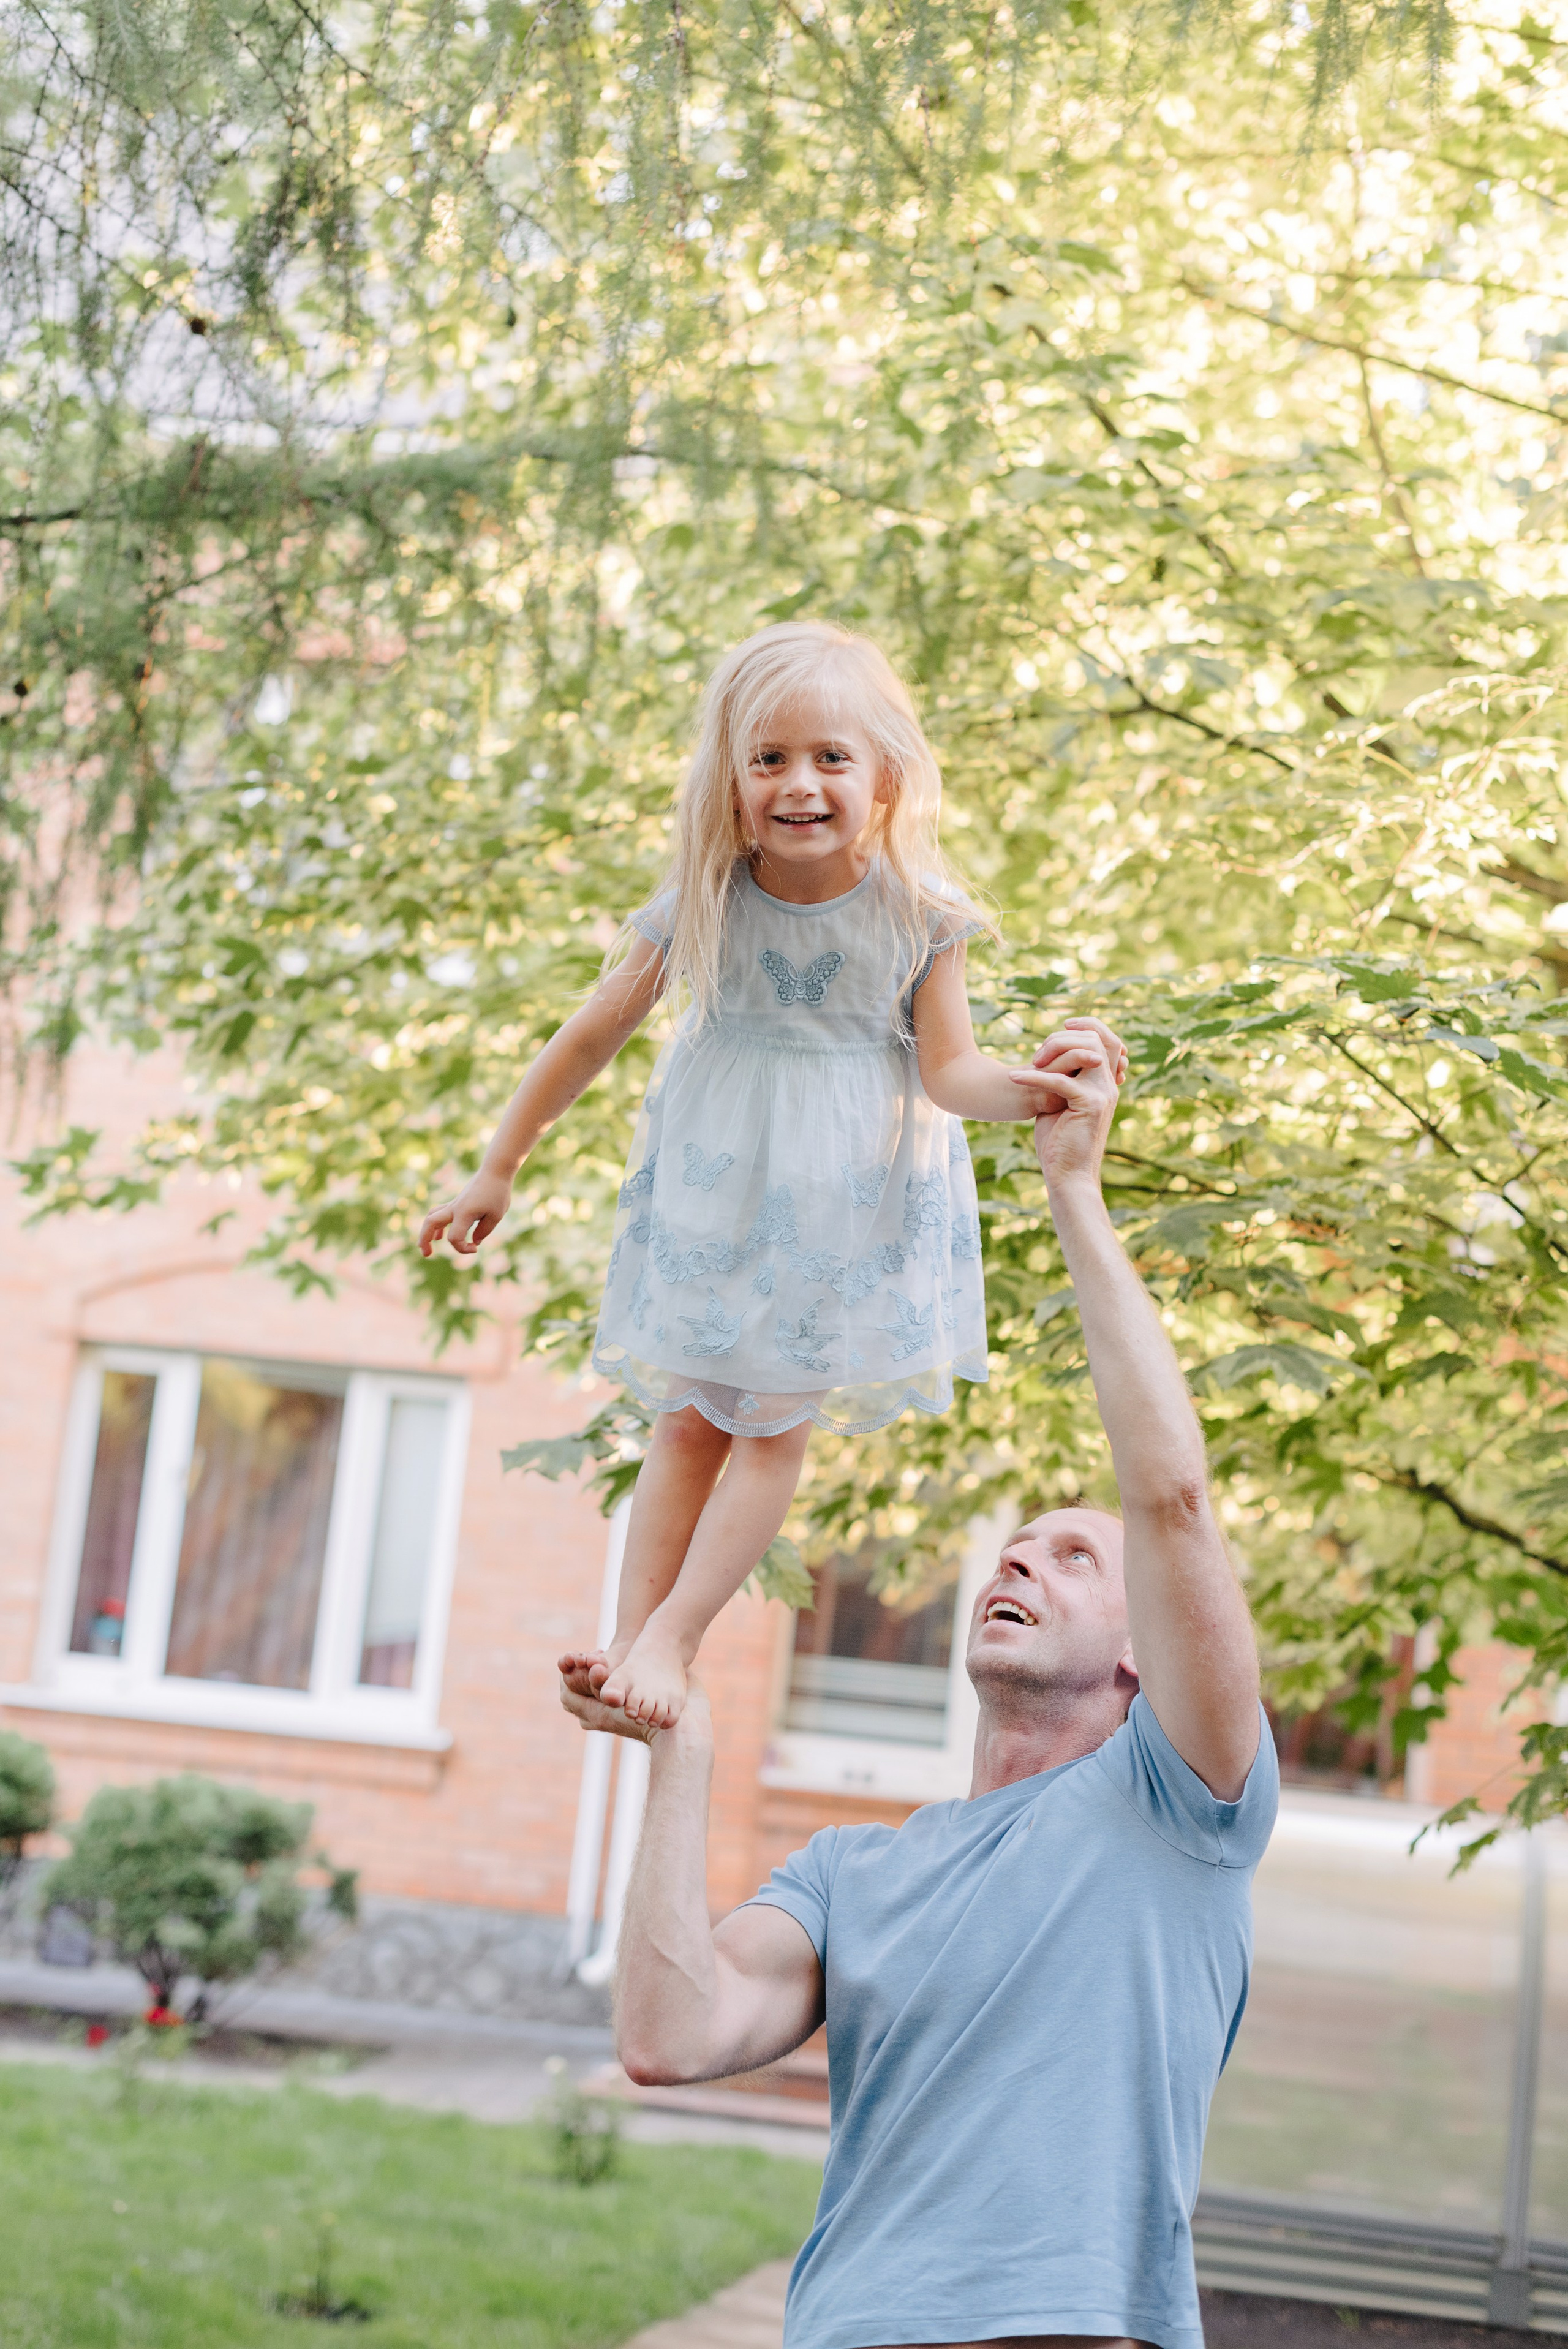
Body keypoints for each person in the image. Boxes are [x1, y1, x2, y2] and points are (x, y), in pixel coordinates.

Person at [559, 1015, 1276, 2349]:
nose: (1021, 1554)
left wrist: (1073, 1187)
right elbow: (669, 2031)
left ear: (1141, 1655)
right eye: (1015, 1543)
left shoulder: (1184, 1807)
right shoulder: (850, 1875)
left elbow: (1170, 1497)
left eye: (1071, 1554)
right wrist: (681, 1751)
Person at [421, 619, 1126, 1729]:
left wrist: (1042, 1088)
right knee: (688, 1421)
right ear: (733, 778)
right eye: (770, 759)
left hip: (836, 1213)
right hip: (718, 1196)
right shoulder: (706, 900)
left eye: (831, 757)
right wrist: (496, 1167)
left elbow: (949, 1075)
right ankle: (628, 1638)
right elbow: (585, 1039)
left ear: (886, 774)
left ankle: (673, 1643)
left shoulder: (922, 918)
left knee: (771, 1429)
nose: (801, 784)